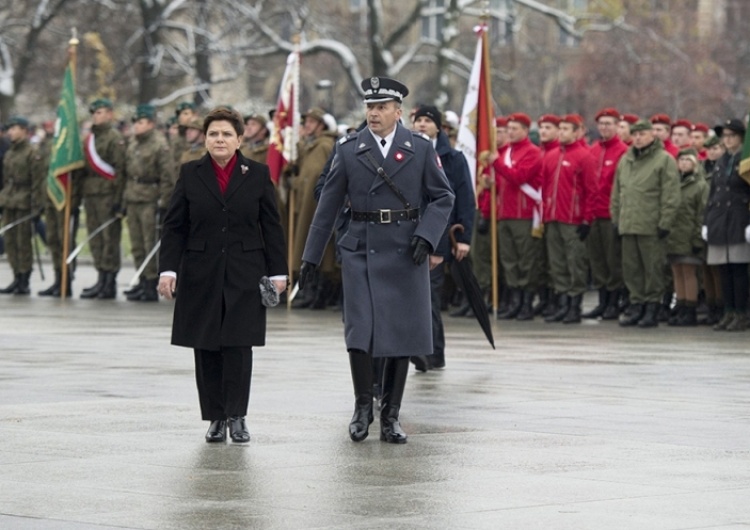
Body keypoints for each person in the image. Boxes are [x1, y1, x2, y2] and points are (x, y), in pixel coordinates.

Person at [299, 76, 454, 444]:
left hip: (406, 249)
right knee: (360, 332)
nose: (374, 113)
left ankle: (391, 416)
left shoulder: (418, 146)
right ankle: (362, 407)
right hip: (360, 249)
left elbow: (443, 196)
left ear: (398, 112)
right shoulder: (349, 148)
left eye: (382, 107)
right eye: (370, 107)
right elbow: (328, 205)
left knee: (401, 334)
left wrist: (427, 236)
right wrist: (310, 257)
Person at [158, 107, 288, 443]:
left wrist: (278, 272)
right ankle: (215, 417)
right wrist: (168, 269)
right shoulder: (190, 173)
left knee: (238, 345)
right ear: (205, 138)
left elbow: (271, 226)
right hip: (200, 271)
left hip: (246, 271)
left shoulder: (257, 174)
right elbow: (174, 226)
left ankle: (237, 416)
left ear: (239, 139)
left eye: (227, 134)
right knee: (206, 346)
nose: (220, 139)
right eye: (213, 133)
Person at [411, 105, 473, 371]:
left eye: (428, 120)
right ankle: (416, 349)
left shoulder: (453, 158)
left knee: (430, 298)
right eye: (418, 120)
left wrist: (463, 238)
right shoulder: (408, 151)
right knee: (413, 297)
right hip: (410, 236)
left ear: (439, 127)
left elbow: (463, 200)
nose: (422, 125)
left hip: (438, 237)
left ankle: (434, 353)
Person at [611, 119, 680, 328]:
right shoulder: (626, 160)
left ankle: (652, 307)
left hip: (651, 225)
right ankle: (636, 304)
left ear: (653, 135)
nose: (638, 138)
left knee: (652, 269)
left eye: (642, 134)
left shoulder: (664, 160)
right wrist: (616, 219)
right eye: (635, 134)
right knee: (631, 269)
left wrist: (665, 222)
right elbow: (617, 192)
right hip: (629, 223)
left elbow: (671, 194)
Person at [540, 113, 596, 324]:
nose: (561, 133)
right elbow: (545, 187)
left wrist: (586, 220)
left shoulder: (584, 156)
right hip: (553, 217)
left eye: (566, 129)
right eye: (560, 129)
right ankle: (562, 302)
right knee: (557, 262)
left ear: (576, 132)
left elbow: (591, 191)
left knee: (575, 262)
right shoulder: (552, 155)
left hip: (573, 219)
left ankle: (575, 304)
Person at [489, 112, 543, 321]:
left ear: (525, 131)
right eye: (509, 128)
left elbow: (518, 176)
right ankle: (514, 300)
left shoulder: (532, 152)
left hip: (524, 214)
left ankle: (526, 301)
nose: (510, 132)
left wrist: (498, 164)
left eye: (514, 129)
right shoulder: (506, 152)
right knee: (509, 260)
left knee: (525, 259)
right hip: (505, 213)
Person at [122, 104, 175, 301]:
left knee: (148, 242)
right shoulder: (133, 143)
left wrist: (164, 203)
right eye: (135, 122)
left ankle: (151, 283)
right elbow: (126, 173)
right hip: (133, 196)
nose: (137, 126)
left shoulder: (159, 144)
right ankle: (142, 278)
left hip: (150, 198)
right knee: (136, 243)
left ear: (151, 124)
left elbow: (167, 177)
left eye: (141, 122)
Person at [704, 118, 750, 331]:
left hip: (739, 219)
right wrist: (707, 221)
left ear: (742, 137)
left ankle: (741, 313)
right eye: (725, 136)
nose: (728, 140)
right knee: (724, 270)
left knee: (738, 270)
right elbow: (713, 193)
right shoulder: (722, 161)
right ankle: (728, 311)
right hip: (720, 220)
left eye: (732, 135)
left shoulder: (746, 159)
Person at [78, 98, 127, 299]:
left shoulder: (114, 138)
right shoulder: (90, 139)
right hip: (91, 194)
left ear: (109, 114)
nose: (96, 116)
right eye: (94, 113)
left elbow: (120, 171)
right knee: (96, 238)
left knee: (109, 239)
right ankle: (100, 277)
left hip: (108, 194)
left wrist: (119, 200)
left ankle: (110, 282)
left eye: (100, 112)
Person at [583, 108, 628, 319]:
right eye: (601, 124)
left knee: (613, 260)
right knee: (597, 260)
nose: (604, 128)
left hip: (610, 213)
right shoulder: (593, 150)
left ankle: (613, 302)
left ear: (617, 126)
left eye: (608, 124)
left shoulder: (622, 151)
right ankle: (602, 301)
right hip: (593, 213)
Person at [0, 116, 44, 295]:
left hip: (25, 201)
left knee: (23, 242)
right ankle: (16, 276)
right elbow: (5, 180)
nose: (10, 132)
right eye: (9, 129)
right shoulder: (10, 152)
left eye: (14, 128)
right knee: (10, 242)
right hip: (10, 200)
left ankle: (24, 279)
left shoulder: (32, 153)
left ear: (24, 131)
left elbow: (37, 182)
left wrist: (36, 206)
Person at [665, 148, 708, 326]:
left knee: (689, 272)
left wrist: (698, 238)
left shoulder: (700, 185)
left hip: (689, 235)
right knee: (677, 272)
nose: (683, 163)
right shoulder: (672, 183)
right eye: (681, 160)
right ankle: (681, 306)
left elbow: (701, 213)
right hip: (674, 236)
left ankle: (690, 308)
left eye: (687, 160)